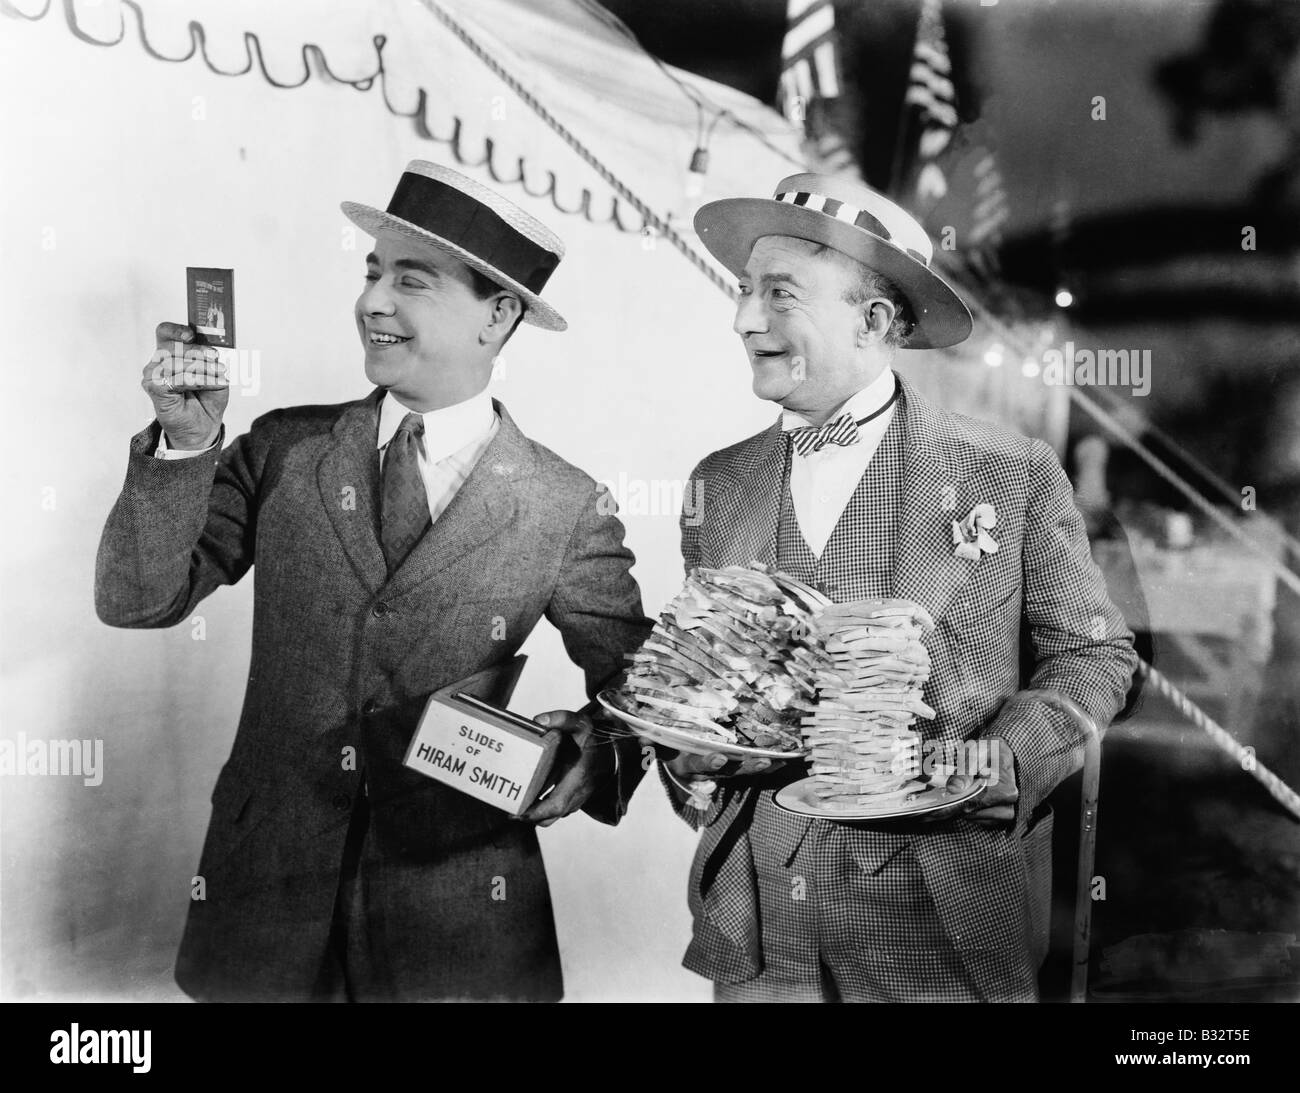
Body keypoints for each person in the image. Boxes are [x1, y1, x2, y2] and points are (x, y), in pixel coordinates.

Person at [95, 160, 652, 1002]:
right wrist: (184, 446)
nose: (373, 301)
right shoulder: (282, 448)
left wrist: (595, 746)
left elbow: (637, 686)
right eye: (371, 272)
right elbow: (140, 598)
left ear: (498, 316)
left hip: (459, 918)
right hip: (264, 897)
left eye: (412, 281)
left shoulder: (564, 504)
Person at [658, 173, 1138, 1002]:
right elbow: (702, 689)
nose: (743, 319)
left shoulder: (1010, 472)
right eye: (744, 291)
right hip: (759, 925)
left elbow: (1096, 658)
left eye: (779, 294)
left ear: (873, 320)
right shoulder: (718, 484)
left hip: (944, 922)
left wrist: (1012, 760)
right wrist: (681, 756)